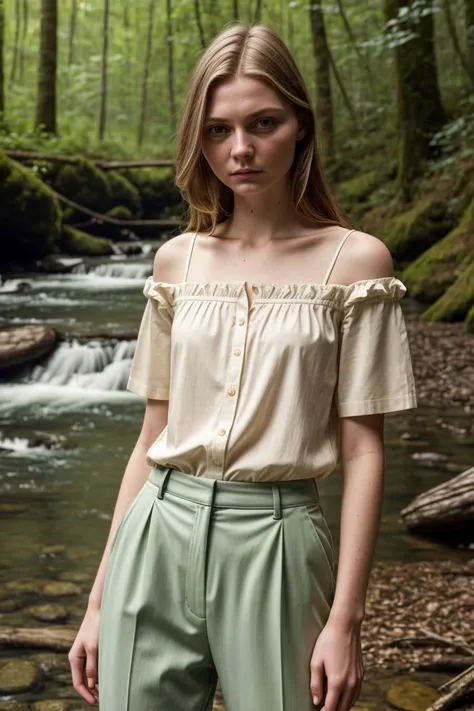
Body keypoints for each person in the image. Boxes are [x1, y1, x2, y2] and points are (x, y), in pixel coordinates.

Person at [68, 22, 417, 711]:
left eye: (264, 123)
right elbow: (150, 437)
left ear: (301, 127)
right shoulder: (177, 262)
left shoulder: (356, 262)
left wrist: (346, 619)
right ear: (199, 139)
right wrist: (99, 599)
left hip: (280, 542)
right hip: (157, 530)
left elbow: (363, 448)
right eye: (219, 130)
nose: (242, 149)